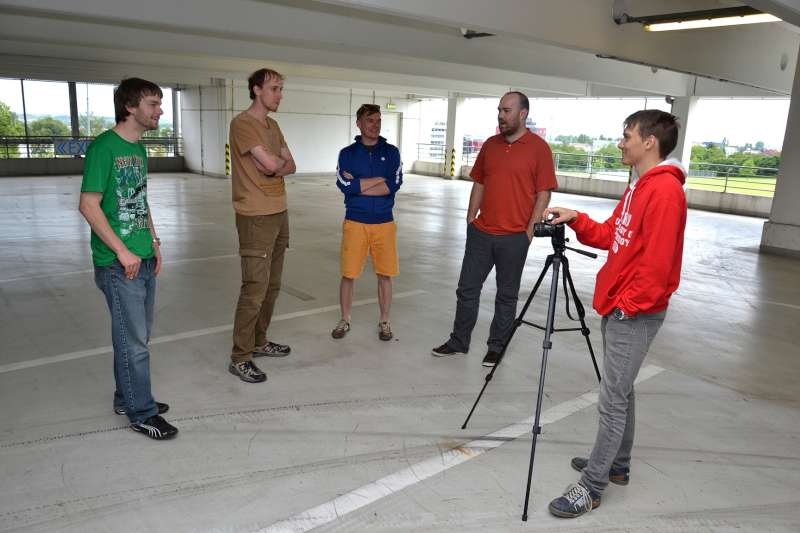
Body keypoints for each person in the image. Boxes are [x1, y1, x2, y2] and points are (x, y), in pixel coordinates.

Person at [545, 109, 687, 518]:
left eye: (627, 136)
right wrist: (577, 219)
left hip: (634, 312)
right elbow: (612, 235)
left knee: (612, 400)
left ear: (649, 142)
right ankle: (618, 464)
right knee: (622, 390)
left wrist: (628, 306)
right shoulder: (639, 187)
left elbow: (658, 265)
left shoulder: (664, 191)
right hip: (621, 305)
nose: (621, 143)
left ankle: (592, 486)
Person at [78, 78, 177, 440]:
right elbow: (88, 205)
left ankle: (127, 397)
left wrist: (154, 241)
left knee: (136, 337)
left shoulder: (138, 150)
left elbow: (139, 199)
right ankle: (142, 413)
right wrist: (122, 251)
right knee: (134, 342)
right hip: (118, 264)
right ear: (130, 107)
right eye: (153, 104)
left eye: (160, 104)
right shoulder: (104, 148)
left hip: (143, 257)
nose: (160, 111)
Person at [431, 91, 557, 367]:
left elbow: (544, 193)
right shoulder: (490, 145)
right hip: (482, 233)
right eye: (499, 110)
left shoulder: (539, 148)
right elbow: (480, 182)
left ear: (523, 114)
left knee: (506, 296)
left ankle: (496, 347)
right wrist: (470, 218)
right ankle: (459, 341)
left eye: (506, 111)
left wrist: (529, 231)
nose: (501, 116)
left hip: (514, 237)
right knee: (467, 290)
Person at [228, 68, 296, 383]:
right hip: (255, 215)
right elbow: (273, 163)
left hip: (279, 211)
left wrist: (272, 166)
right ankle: (240, 357)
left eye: (281, 89)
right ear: (256, 90)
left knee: (272, 286)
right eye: (274, 88)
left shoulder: (274, 126)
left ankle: (259, 341)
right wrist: (272, 164)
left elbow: (290, 165)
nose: (279, 94)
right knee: (254, 288)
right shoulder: (243, 124)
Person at [331, 104, 403, 341]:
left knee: (385, 274)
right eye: (370, 120)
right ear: (359, 124)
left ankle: (385, 321)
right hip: (355, 222)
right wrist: (378, 180)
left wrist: (360, 185)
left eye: (378, 120)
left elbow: (393, 184)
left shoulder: (391, 153)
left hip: (384, 223)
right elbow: (344, 185)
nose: (375, 125)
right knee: (348, 274)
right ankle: (345, 319)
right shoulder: (347, 154)